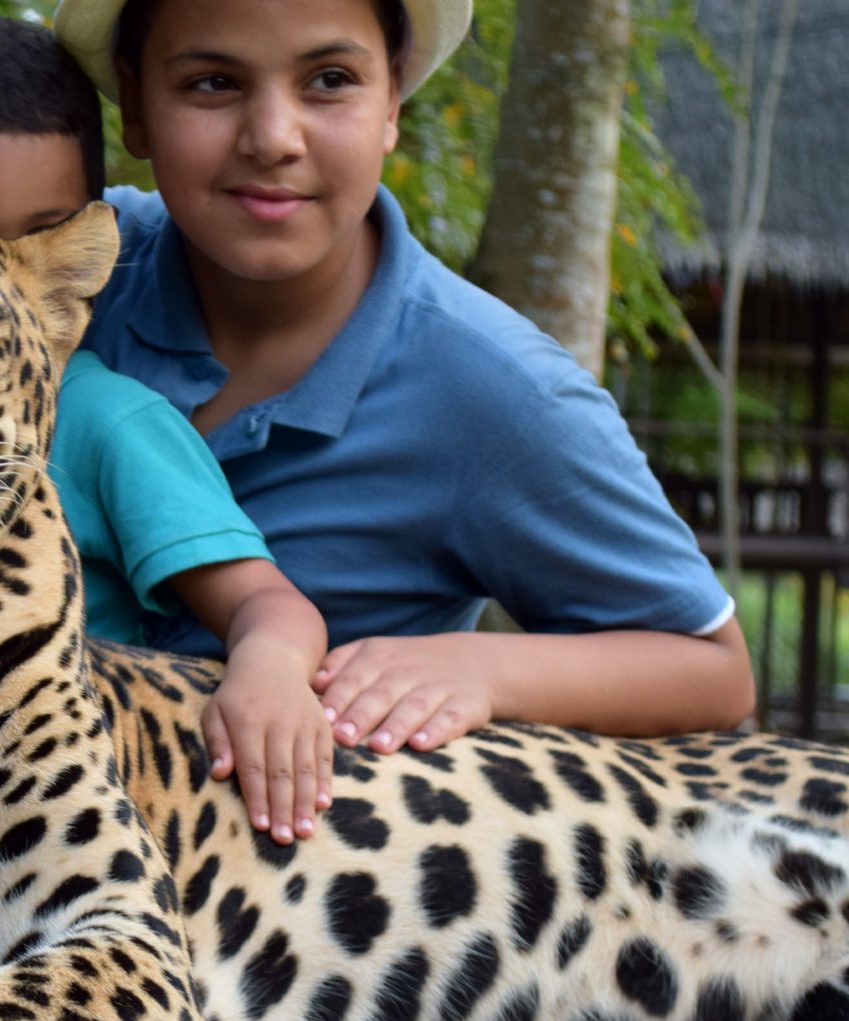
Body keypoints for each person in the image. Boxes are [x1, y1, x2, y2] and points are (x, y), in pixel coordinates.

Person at [52, 0, 755, 754]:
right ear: (134, 105)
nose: (273, 138)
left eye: (329, 79)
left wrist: (484, 668)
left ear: (392, 100)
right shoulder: (57, 269)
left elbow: (714, 669)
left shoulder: (496, 393)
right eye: (213, 83)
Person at [0, 16, 333, 846]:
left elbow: (266, 600)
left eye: (44, 235)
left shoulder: (105, 418)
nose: (3, 283)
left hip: (33, 810)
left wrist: (268, 673)